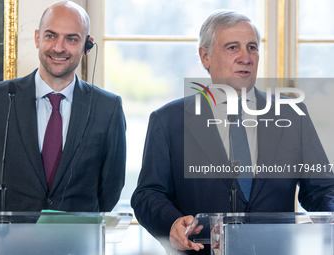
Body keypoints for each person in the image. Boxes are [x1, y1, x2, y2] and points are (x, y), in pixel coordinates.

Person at [131, 9, 334, 254]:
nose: (245, 57)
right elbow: (148, 194)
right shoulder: (169, 120)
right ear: (205, 56)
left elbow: (322, 189)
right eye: (232, 48)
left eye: (252, 47)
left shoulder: (291, 115)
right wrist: (172, 223)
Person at [0, 1, 126, 212]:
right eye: (50, 36)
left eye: (71, 39)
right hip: (9, 240)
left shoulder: (108, 108)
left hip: (79, 240)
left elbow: (110, 190)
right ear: (38, 38)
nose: (58, 47)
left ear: (87, 46)